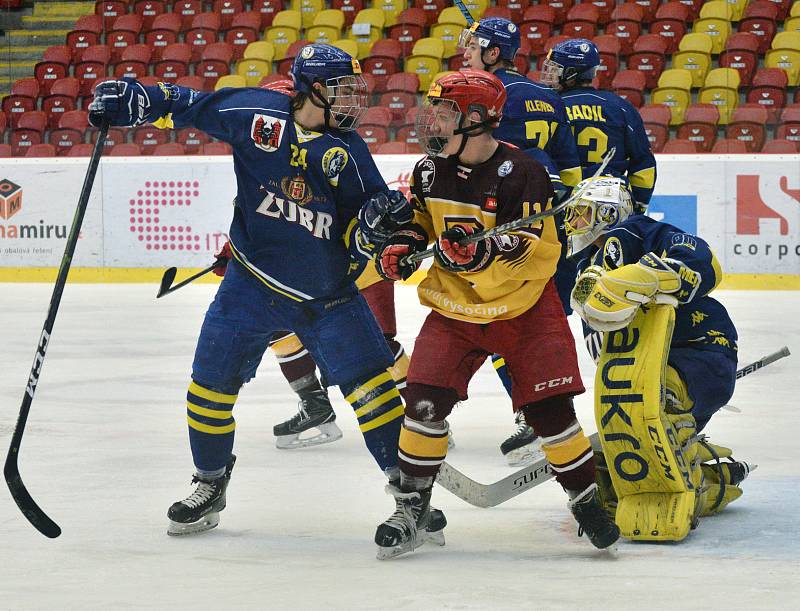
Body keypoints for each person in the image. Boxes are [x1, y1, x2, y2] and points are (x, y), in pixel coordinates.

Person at [87, 44, 445, 539]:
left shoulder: (348, 150)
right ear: (312, 88)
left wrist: (380, 229)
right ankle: (209, 482)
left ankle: (411, 501)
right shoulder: (255, 113)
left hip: (327, 297)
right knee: (207, 390)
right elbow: (186, 101)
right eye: (342, 88)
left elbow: (363, 223)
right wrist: (137, 99)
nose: (352, 100)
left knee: (374, 394)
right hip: (249, 286)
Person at [371, 70, 619, 559]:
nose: (433, 119)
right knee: (422, 406)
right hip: (456, 307)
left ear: (477, 118)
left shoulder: (523, 172)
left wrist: (484, 253)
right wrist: (406, 243)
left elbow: (533, 247)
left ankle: (586, 501)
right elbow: (422, 222)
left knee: (551, 415)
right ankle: (412, 508)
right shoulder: (427, 170)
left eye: (445, 111)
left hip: (524, 306)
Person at [564, 176, 752, 538]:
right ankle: (711, 479)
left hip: (702, 347)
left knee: (664, 404)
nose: (574, 223)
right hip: (643, 369)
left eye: (582, 213)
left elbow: (702, 259)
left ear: (607, 211)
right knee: (616, 464)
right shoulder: (585, 272)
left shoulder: (636, 230)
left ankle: (698, 464)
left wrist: (657, 275)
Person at [459, 16, 584, 466]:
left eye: (474, 48)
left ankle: (538, 414)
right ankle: (546, 411)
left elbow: (480, 165)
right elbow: (570, 169)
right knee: (537, 319)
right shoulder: (548, 96)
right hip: (552, 223)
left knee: (495, 319)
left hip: (504, 225)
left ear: (494, 53)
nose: (465, 53)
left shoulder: (483, 96)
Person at [541, 38, 657, 214]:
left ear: (571, 73)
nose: (551, 74)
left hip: (568, 201)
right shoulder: (622, 108)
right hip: (613, 200)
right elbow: (644, 164)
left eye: (556, 69)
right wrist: (639, 206)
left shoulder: (552, 106)